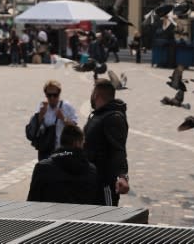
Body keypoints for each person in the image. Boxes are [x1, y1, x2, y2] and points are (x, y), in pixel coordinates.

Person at [27, 123, 102, 204]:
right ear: (77, 143)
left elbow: (32, 201)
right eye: (83, 143)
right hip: (81, 215)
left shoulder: (42, 168)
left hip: (50, 215)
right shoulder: (91, 170)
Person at [84, 78, 129, 206]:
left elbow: (118, 150)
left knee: (106, 220)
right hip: (91, 182)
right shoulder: (98, 115)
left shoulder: (113, 118)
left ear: (97, 94)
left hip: (105, 185)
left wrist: (122, 176)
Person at [28, 80, 79, 161]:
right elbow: (36, 129)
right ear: (45, 95)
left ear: (59, 94)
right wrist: (40, 115)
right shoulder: (42, 106)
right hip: (46, 150)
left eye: (55, 95)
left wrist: (63, 118)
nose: (52, 98)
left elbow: (75, 128)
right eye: (49, 95)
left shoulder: (67, 106)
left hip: (63, 150)